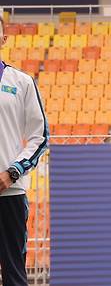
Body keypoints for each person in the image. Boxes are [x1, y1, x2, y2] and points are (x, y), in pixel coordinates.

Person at [0, 17, 49, 286]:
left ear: (4, 39)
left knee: (14, 274)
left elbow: (39, 137)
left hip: (10, 192)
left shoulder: (22, 82)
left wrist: (11, 173)